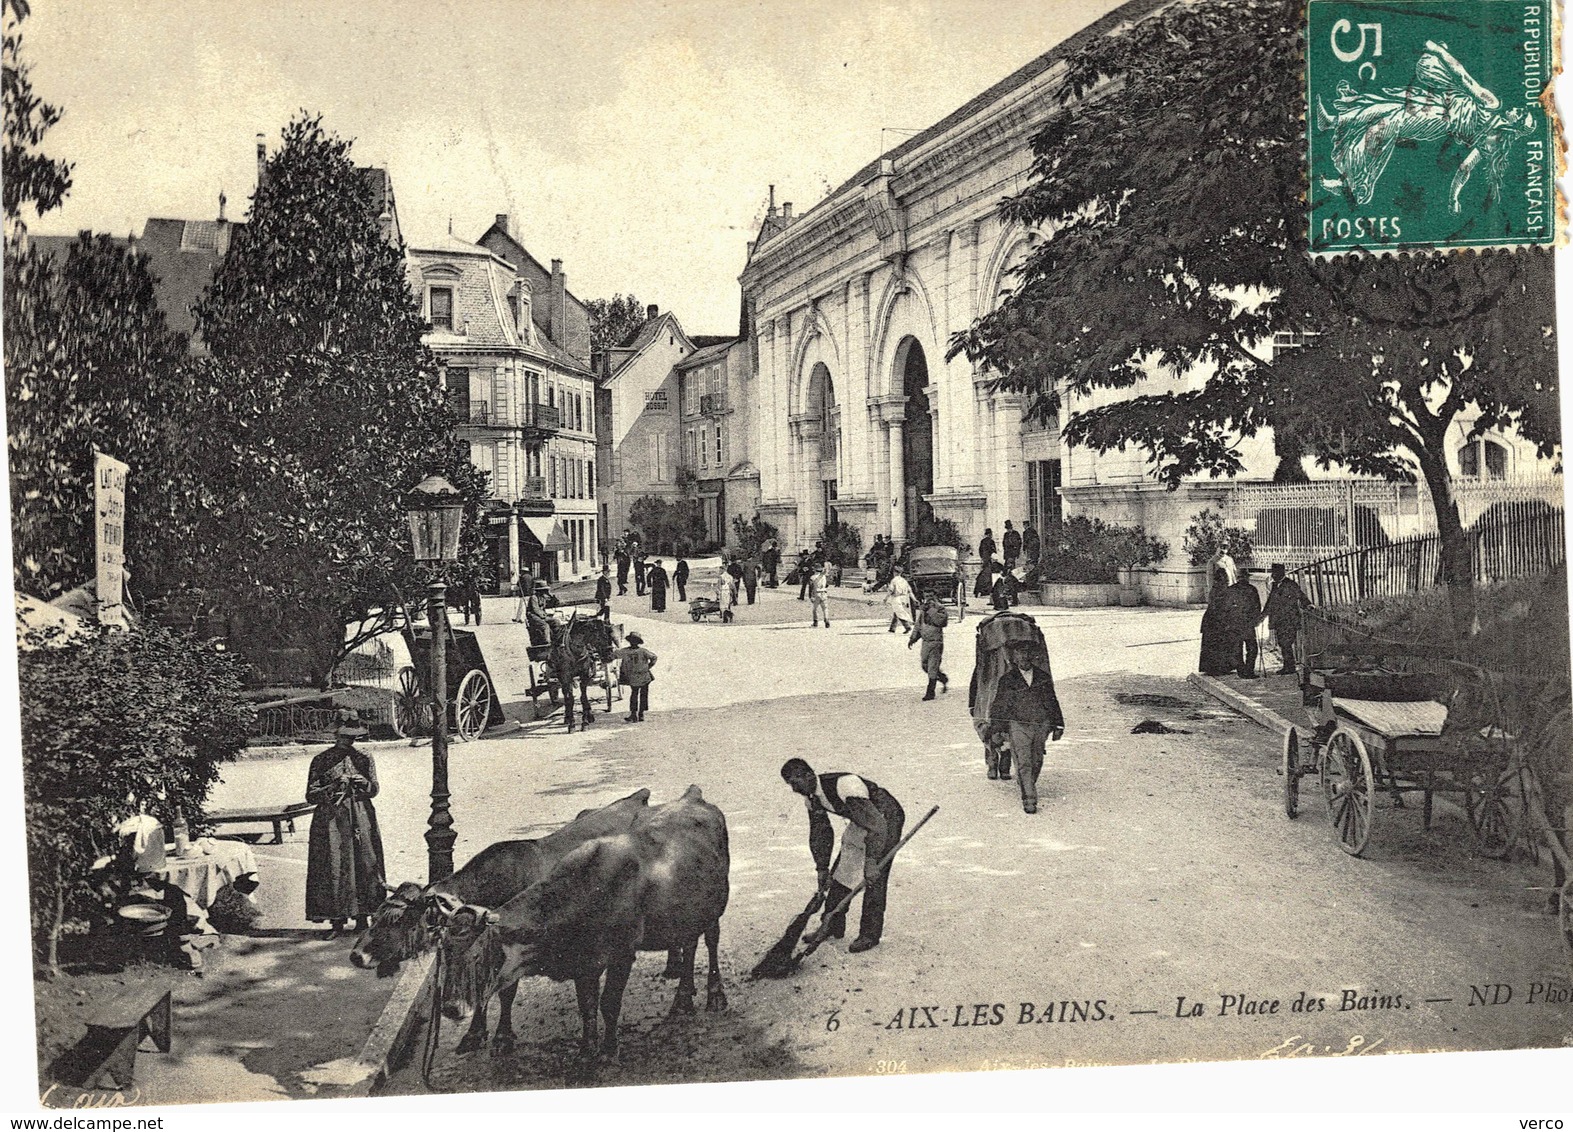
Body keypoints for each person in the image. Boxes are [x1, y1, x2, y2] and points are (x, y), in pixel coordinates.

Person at [780, 759, 906, 954]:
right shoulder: (812, 798)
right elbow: (820, 834)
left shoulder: (846, 786)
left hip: (885, 818)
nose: (794, 789)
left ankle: (869, 934)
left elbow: (877, 826)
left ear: (809, 775)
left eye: (795, 783)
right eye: (790, 785)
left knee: (874, 876)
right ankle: (832, 924)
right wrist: (822, 868)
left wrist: (871, 860)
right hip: (863, 818)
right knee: (842, 871)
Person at [305, 713, 386, 937]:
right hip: (331, 819)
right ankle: (336, 921)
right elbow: (310, 795)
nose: (349, 741)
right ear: (336, 735)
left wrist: (365, 784)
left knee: (364, 861)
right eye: (344, 737)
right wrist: (332, 786)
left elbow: (375, 789)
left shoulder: (364, 758)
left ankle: (363, 918)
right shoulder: (321, 760)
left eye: (353, 737)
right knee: (334, 865)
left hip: (360, 816)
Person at [989, 640, 1065, 814]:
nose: (1024, 657)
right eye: (1020, 653)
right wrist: (996, 730)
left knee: (1036, 759)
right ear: (1014, 657)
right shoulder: (1007, 680)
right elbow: (999, 706)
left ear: (1033, 656)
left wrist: (1058, 724)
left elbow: (1052, 701)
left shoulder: (1043, 677)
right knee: (1023, 760)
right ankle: (1029, 798)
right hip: (1018, 725)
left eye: (1027, 652)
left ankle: (1027, 783)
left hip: (1041, 724)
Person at [1261, 563, 1311, 675]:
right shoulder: (1275, 586)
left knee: (1286, 643)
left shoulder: (1290, 584)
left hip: (1290, 620)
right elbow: (1270, 603)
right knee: (1283, 644)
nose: (1272, 575)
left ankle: (1290, 667)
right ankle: (1288, 666)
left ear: (1281, 573)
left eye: (1274, 572)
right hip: (1279, 620)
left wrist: (1308, 605)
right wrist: (1262, 616)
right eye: (1272, 572)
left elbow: (1301, 596)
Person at [1222, 571, 1264, 678]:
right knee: (1252, 648)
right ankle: (1249, 670)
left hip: (1234, 624)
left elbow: (1225, 608)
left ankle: (1241, 671)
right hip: (1247, 624)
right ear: (1246, 577)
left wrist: (1227, 622)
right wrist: (1257, 620)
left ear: (1237, 578)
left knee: (1237, 649)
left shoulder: (1230, 590)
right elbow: (1257, 607)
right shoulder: (1252, 589)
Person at [909, 595, 950, 701]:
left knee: (932, 667)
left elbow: (941, 622)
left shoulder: (940, 609)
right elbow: (918, 625)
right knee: (924, 665)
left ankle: (930, 692)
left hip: (936, 642)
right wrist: (913, 638)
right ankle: (942, 677)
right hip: (925, 642)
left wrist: (931, 610)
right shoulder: (924, 610)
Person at [1198, 568, 1237, 676]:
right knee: (1220, 643)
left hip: (1211, 619)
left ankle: (1212, 667)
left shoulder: (1214, 589)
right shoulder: (1223, 590)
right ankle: (1221, 667)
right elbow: (1224, 606)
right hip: (1218, 620)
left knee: (1212, 644)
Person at [615, 631, 656, 722]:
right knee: (643, 695)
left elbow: (614, 655)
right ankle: (640, 714)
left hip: (634, 677)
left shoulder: (625, 651)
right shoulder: (643, 651)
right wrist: (648, 666)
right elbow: (654, 657)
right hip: (644, 676)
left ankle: (635, 714)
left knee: (634, 694)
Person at [886, 566, 915, 634]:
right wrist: (914, 599)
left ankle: (907, 626)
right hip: (904, 598)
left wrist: (886, 598)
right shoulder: (904, 580)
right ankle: (892, 628)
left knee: (899, 613)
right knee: (897, 612)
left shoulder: (894, 580)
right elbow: (909, 591)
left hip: (897, 598)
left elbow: (890, 590)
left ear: (895, 572)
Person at [808, 560, 831, 628]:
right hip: (824, 592)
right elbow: (827, 585)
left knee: (815, 609)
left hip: (816, 593)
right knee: (825, 608)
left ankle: (816, 622)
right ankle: (826, 620)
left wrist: (811, 596)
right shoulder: (824, 577)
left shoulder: (812, 577)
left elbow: (811, 587)